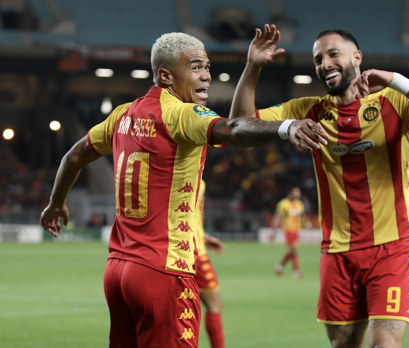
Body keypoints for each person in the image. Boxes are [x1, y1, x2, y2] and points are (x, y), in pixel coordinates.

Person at [40, 31, 328, 348]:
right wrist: (288, 126)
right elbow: (233, 127)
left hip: (119, 269)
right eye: (195, 67)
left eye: (207, 66)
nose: (205, 75)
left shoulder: (123, 115)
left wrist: (56, 203)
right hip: (163, 271)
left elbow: (75, 155)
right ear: (165, 75)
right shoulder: (180, 114)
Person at [230, 24, 409, 348]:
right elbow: (237, 128)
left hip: (392, 245)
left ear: (357, 57)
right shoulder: (307, 110)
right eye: (317, 59)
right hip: (338, 250)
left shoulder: (393, 102)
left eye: (332, 54)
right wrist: (255, 69)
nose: (324, 64)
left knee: (384, 344)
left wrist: (395, 80)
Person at [194, 179, 225, 348]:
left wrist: (204, 237)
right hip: (193, 252)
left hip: (173, 250)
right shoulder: (196, 178)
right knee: (214, 304)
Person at [272, 186, 305, 279]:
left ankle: (279, 267)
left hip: (296, 230)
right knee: (294, 250)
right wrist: (273, 231)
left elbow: (302, 216)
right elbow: (278, 217)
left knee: (291, 251)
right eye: (296, 192)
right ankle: (296, 271)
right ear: (291, 193)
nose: (298, 194)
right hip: (288, 230)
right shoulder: (283, 204)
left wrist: (306, 224)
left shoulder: (299, 204)